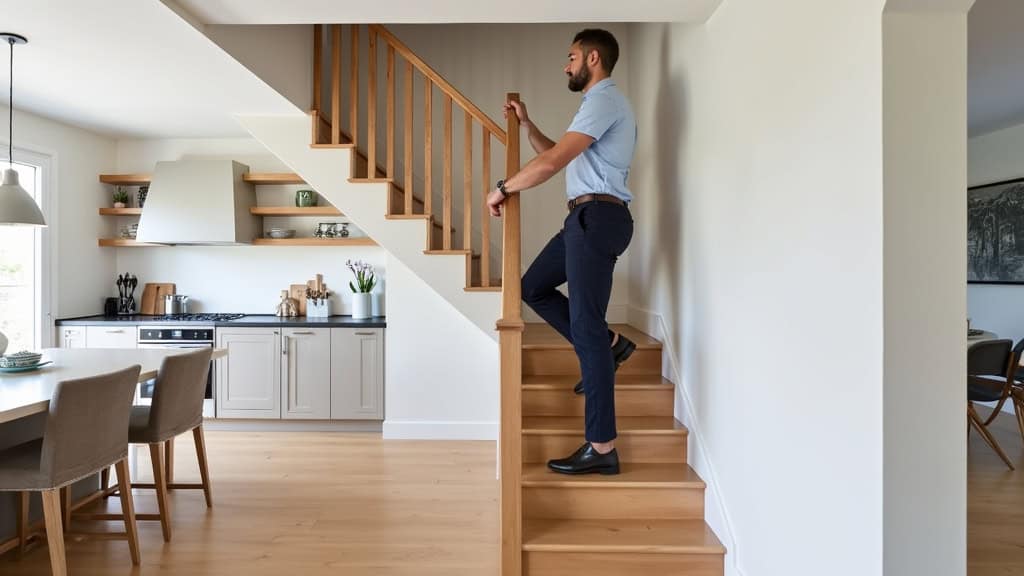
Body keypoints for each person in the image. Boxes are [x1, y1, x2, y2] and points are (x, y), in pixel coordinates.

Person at [487, 28, 636, 475]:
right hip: (584, 219)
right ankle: (609, 346)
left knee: (586, 326)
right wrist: (527, 126)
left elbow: (551, 165)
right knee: (531, 287)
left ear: (592, 58)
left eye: (571, 57)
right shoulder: (595, 106)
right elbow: (559, 153)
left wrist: (503, 188)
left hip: (598, 218)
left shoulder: (604, 100)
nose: (566, 65)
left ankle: (602, 446)